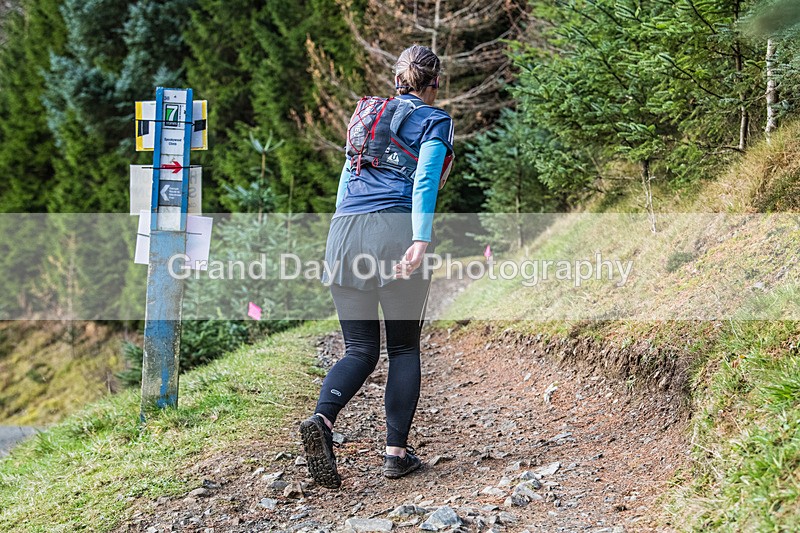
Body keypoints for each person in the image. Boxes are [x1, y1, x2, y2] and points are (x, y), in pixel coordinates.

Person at [299, 44, 454, 489]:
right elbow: (425, 178)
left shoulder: (366, 115)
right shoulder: (435, 120)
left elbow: (346, 180)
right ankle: (396, 454)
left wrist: (337, 240)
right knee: (403, 349)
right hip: (394, 232)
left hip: (344, 232)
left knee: (359, 350)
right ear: (435, 82)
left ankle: (322, 420)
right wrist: (420, 238)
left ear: (397, 79)